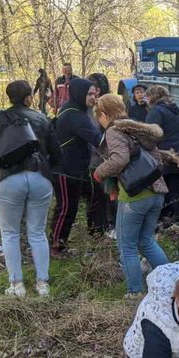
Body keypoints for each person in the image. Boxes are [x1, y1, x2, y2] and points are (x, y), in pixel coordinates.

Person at [0, 80, 61, 297]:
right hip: (40, 178)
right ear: (29, 97)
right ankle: (42, 284)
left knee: (10, 233)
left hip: (8, 179)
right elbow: (57, 155)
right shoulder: (42, 119)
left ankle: (17, 285)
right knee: (37, 232)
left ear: (9, 98)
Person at [91, 94, 169, 297]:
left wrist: (99, 172)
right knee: (146, 241)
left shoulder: (115, 131)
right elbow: (158, 161)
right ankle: (170, 282)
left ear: (104, 114)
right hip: (156, 192)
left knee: (126, 245)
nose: (99, 121)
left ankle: (134, 292)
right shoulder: (135, 130)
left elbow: (119, 159)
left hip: (135, 195)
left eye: (99, 116)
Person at [50, 77, 100, 255]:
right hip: (66, 170)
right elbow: (97, 139)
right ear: (79, 94)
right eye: (89, 94)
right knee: (65, 209)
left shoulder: (74, 109)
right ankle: (56, 247)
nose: (93, 98)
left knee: (70, 208)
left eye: (95, 94)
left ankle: (60, 244)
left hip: (75, 168)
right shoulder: (75, 115)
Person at [145, 85, 179, 226]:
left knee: (164, 188)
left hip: (165, 154)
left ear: (153, 97)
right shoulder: (174, 110)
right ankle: (177, 217)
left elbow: (151, 134)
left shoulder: (156, 111)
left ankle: (175, 219)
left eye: (147, 97)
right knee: (175, 187)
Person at [85, 73, 114, 237]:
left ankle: (110, 225)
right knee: (95, 197)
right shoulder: (84, 108)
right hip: (90, 160)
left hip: (105, 161)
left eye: (94, 89)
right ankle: (96, 228)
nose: (92, 93)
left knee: (108, 196)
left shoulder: (107, 107)